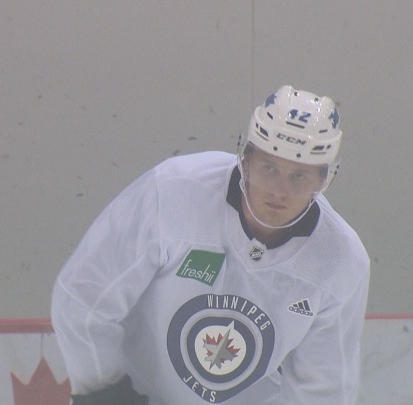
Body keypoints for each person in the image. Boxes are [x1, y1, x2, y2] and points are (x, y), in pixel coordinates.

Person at [51, 85, 370, 404]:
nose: (279, 191)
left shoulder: (340, 262)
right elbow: (85, 297)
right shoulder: (176, 191)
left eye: (298, 176)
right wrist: (106, 396)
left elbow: (324, 389)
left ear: (324, 180)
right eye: (269, 168)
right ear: (246, 159)